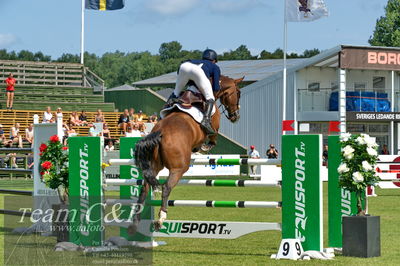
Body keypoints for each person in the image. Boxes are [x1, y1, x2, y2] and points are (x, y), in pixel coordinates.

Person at [166, 49, 221, 135]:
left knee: (176, 92)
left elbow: (181, 74)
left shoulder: (196, 61)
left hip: (184, 66)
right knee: (210, 98)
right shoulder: (214, 66)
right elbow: (216, 87)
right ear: (214, 60)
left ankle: (163, 113)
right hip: (197, 72)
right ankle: (206, 121)